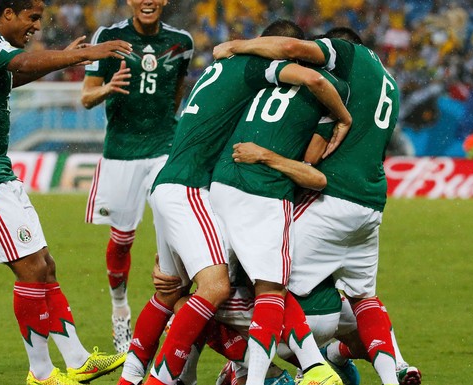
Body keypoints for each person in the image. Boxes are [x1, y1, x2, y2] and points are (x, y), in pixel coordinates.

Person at [126, 19, 352, 385]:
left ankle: (141, 376)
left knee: (177, 292)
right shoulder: (262, 73)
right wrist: (341, 118)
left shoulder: (222, 76)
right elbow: (311, 84)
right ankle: (289, 367)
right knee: (233, 288)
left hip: (181, 184)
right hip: (196, 189)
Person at [0, 1, 132, 384]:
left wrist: (64, 58)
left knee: (45, 264)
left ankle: (77, 360)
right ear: (8, 13)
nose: (36, 26)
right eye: (31, 17)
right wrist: (81, 55)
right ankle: (42, 374)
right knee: (30, 269)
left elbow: (12, 76)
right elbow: (21, 64)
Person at [214, 27, 412, 385]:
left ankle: (274, 369)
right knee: (364, 296)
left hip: (331, 198)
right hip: (370, 206)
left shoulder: (350, 58)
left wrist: (237, 46)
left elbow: (291, 47)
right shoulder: (391, 85)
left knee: (264, 281)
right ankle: (392, 373)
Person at [208, 27, 351, 382]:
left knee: (204, 290)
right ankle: (275, 375)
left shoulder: (255, 78)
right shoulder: (331, 86)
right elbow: (312, 164)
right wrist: (343, 118)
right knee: (271, 290)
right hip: (264, 191)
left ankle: (171, 374)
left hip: (220, 181)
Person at [81, 0, 193, 354]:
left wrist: (166, 127)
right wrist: (107, 88)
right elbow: (86, 97)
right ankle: (119, 309)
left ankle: (177, 314)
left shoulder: (181, 42)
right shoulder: (110, 37)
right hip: (121, 152)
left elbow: (178, 89)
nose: (147, 1)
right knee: (122, 239)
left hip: (164, 146)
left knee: (176, 236)